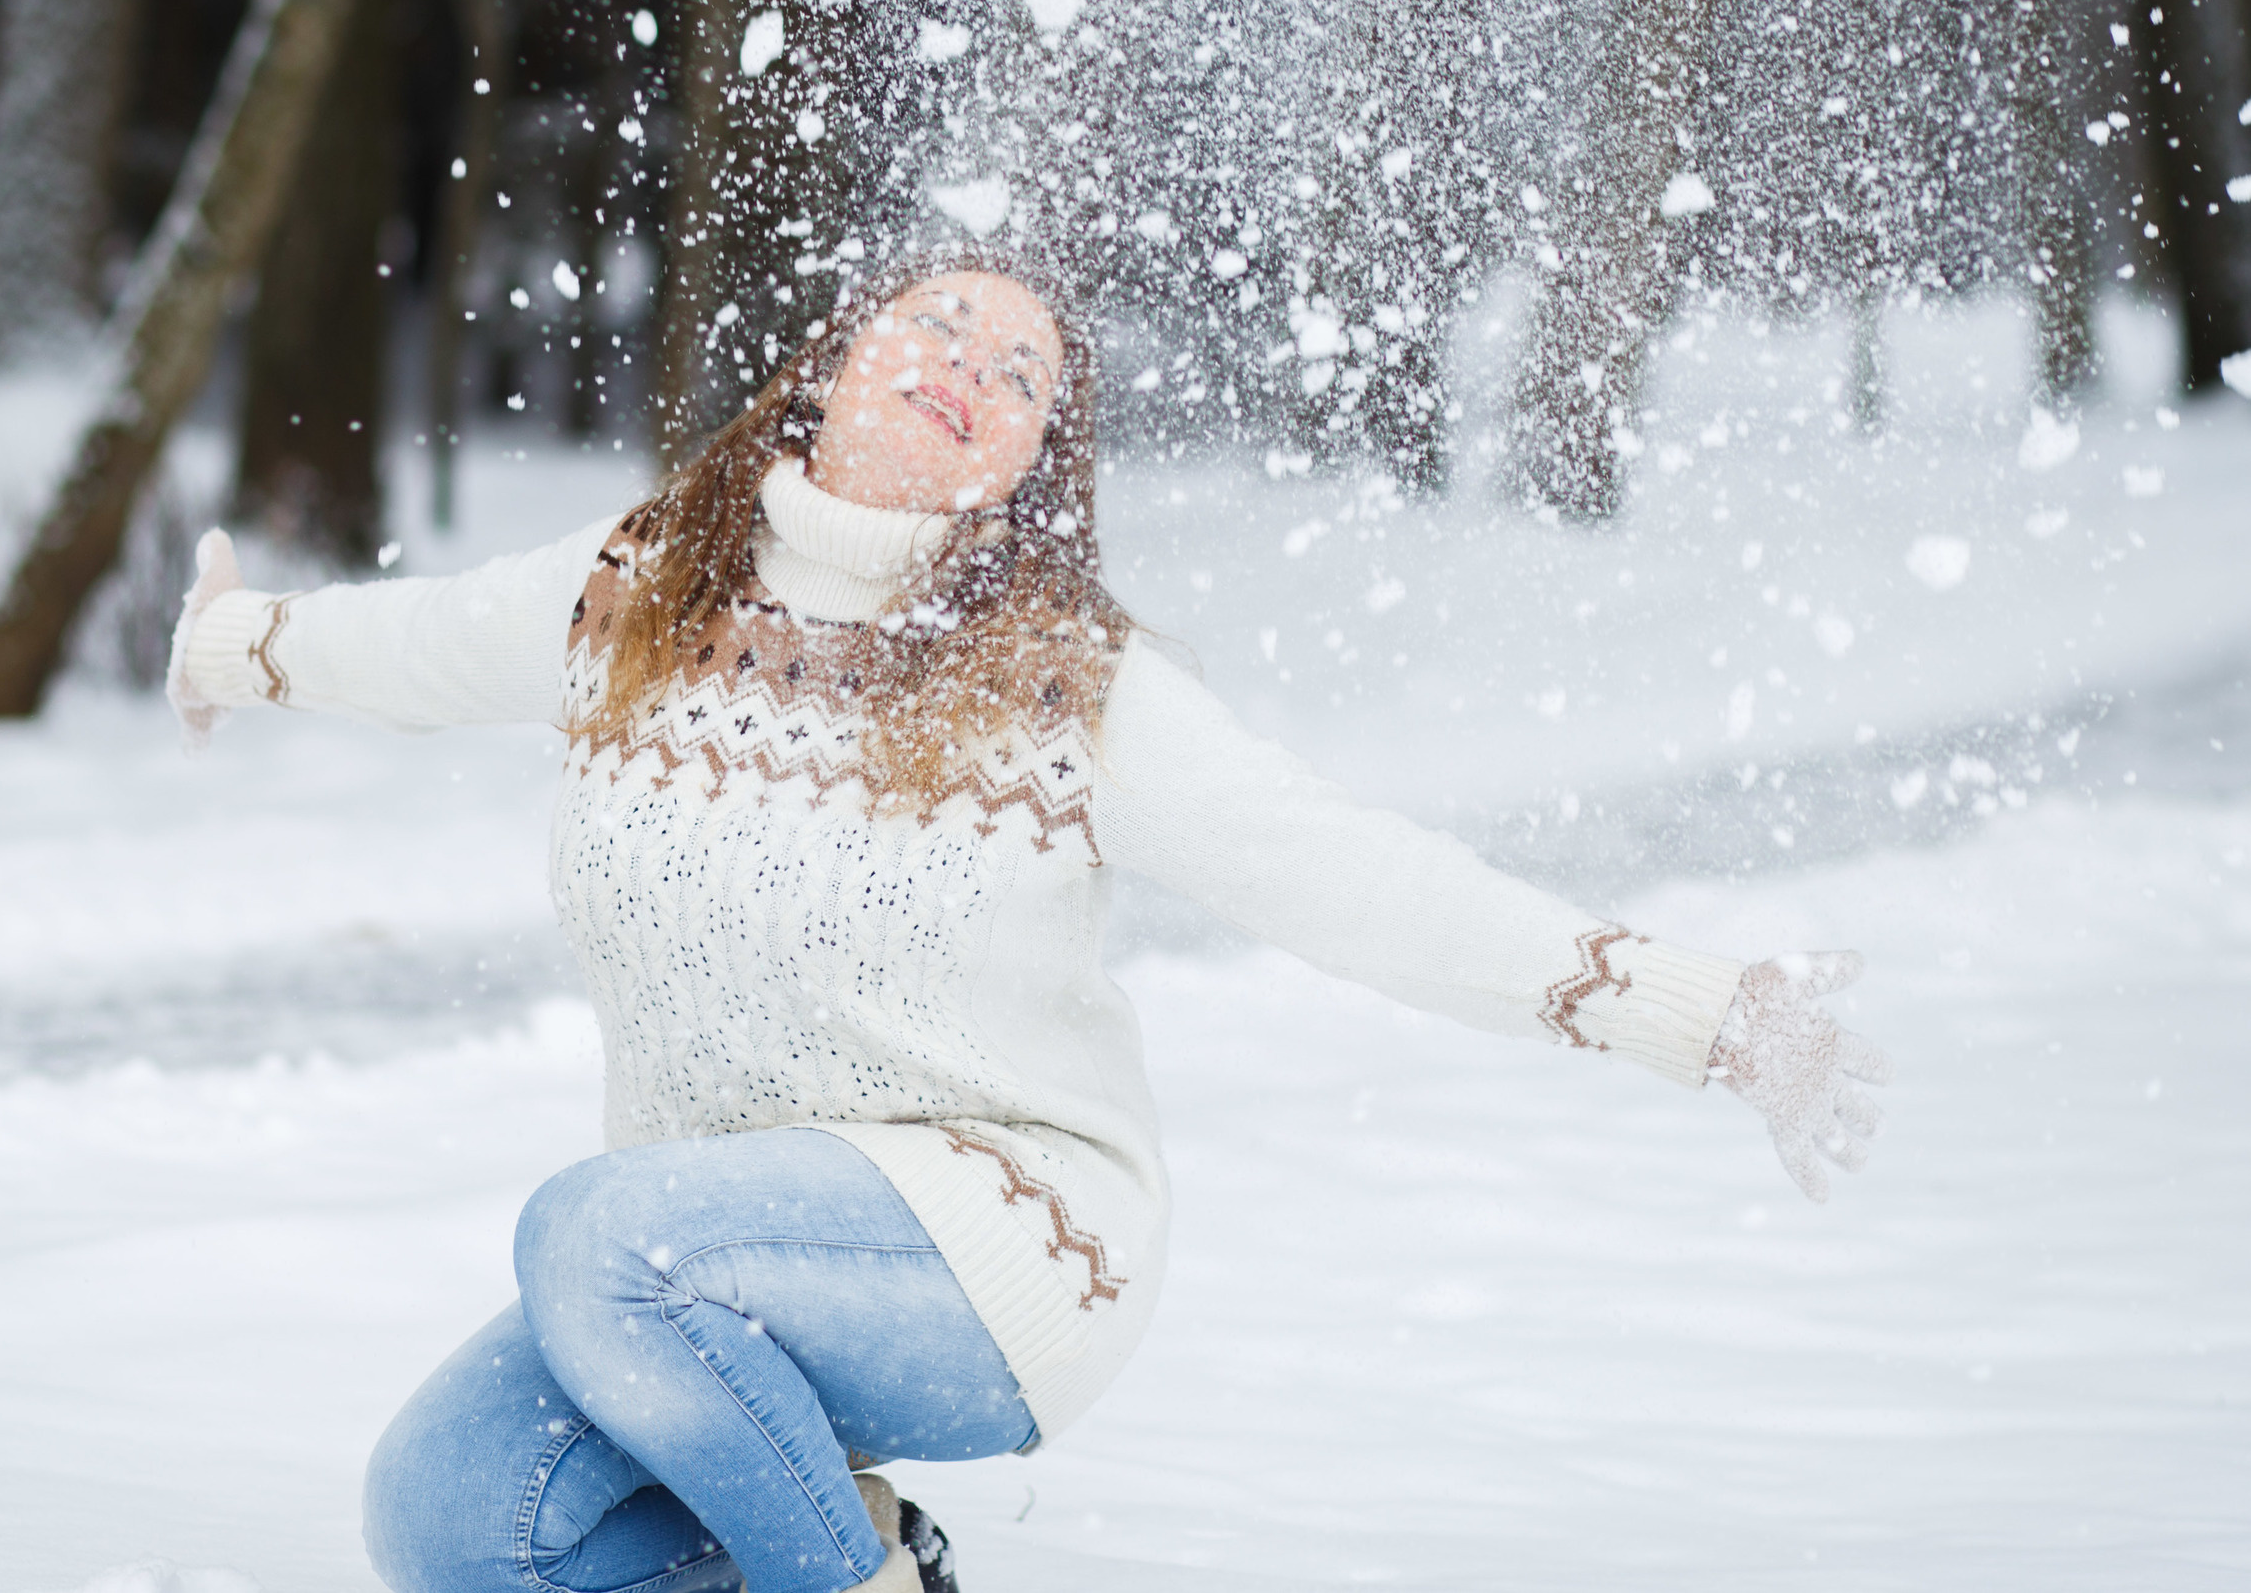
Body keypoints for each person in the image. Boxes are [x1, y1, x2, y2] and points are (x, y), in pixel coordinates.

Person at [167, 245, 1892, 1593]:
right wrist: (231, 648)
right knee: (451, 1520)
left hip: (998, 1250)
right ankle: (852, 1539)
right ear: (830, 365)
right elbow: (424, 642)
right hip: (698, 1271)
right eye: (936, 328)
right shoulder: (639, 591)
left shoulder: (1070, 686)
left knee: (595, 1235)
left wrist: (1696, 1009)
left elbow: (1350, 875)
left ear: (1021, 470)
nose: (969, 373)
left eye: (1021, 379)